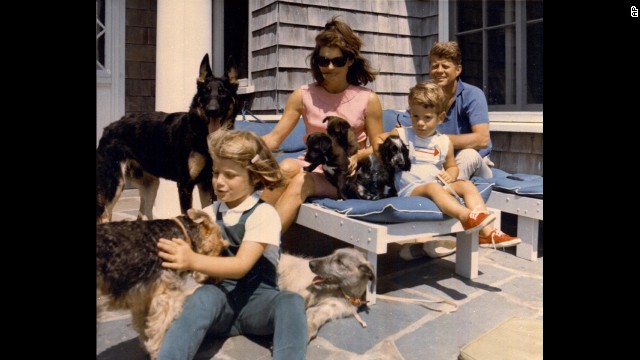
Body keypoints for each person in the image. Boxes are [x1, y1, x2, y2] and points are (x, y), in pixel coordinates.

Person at [155, 130, 308, 360]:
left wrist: (193, 260)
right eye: (216, 173)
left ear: (254, 177)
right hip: (222, 305)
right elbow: (180, 234)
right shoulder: (209, 213)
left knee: (291, 301)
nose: (219, 182)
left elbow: (241, 265)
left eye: (229, 175)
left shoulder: (263, 215)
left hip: (260, 305)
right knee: (203, 296)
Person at [261, 16, 384, 233]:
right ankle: (249, 231)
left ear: (349, 60)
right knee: (286, 167)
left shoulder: (368, 99)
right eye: (323, 60)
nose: (329, 67)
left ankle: (261, 247)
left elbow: (378, 147)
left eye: (337, 61)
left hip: (345, 175)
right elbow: (273, 138)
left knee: (301, 181)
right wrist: (239, 154)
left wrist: (356, 156)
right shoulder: (302, 95)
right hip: (313, 165)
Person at [377, 82, 521, 261]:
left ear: (440, 117)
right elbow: (379, 140)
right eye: (415, 116)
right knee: (432, 188)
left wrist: (451, 175)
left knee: (465, 185)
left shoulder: (444, 142)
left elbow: (452, 166)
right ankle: (466, 217)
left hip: (436, 185)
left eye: (427, 117)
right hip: (411, 188)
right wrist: (382, 151)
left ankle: (487, 233)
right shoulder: (403, 134)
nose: (420, 123)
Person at [429, 41, 494, 181]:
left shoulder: (473, 94)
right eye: (435, 66)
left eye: (445, 66)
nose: (439, 70)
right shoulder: (425, 96)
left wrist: (438, 140)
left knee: (468, 154)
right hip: (439, 160)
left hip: (476, 162)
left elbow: (482, 139)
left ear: (458, 70)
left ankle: (450, 197)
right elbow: (406, 127)